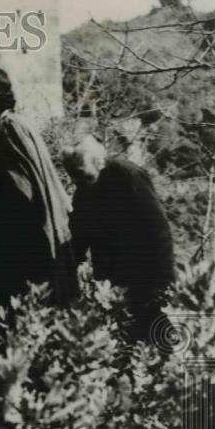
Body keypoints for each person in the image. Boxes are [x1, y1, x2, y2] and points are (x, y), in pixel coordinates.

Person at [0, 66, 78, 309]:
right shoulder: (19, 126)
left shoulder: (5, 134)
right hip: (44, 251)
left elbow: (19, 204)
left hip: (29, 262)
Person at [62, 135, 175, 343]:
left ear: (98, 162)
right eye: (72, 175)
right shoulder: (84, 188)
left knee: (154, 333)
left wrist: (165, 279)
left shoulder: (128, 175)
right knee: (123, 336)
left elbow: (159, 229)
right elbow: (78, 236)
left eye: (79, 173)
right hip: (113, 279)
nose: (76, 181)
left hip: (147, 273)